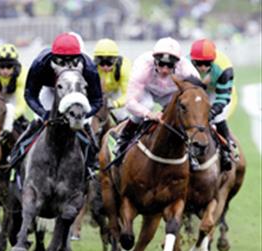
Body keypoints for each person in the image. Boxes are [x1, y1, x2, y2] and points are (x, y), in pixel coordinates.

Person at [10, 32, 103, 177]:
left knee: (84, 125)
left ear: (79, 58)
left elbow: (97, 100)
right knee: (37, 122)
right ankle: (17, 156)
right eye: (61, 61)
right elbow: (30, 94)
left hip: (75, 91)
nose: (67, 65)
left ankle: (91, 162)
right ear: (53, 58)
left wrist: (84, 115)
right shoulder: (41, 63)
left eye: (72, 61)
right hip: (49, 90)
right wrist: (43, 113)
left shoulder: (89, 67)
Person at [114, 37, 200, 166]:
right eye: (161, 64)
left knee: (181, 113)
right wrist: (150, 114)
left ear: (177, 63)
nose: (165, 70)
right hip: (146, 92)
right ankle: (124, 138)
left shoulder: (187, 69)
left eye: (170, 65)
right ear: (155, 61)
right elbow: (130, 102)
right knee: (146, 106)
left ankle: (189, 151)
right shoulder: (142, 67)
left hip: (170, 94)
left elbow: (197, 94)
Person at [190, 39, 236, 171]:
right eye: (198, 63)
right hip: (199, 91)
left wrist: (212, 112)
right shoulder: (185, 64)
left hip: (217, 92)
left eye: (207, 63)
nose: (203, 67)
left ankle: (227, 147)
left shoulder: (224, 67)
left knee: (217, 118)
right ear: (192, 60)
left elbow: (223, 97)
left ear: (213, 60)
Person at [0, 43, 29, 139]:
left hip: (13, 101)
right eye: (2, 67)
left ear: (15, 67)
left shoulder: (22, 74)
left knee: (10, 109)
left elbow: (21, 103)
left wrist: (10, 116)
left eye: (9, 66)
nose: (5, 71)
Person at [93, 38, 131, 122]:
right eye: (101, 63)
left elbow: (128, 94)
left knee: (121, 115)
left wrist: (115, 104)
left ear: (115, 60)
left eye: (109, 63)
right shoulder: (92, 67)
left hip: (115, 91)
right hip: (98, 92)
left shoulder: (124, 68)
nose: (105, 67)